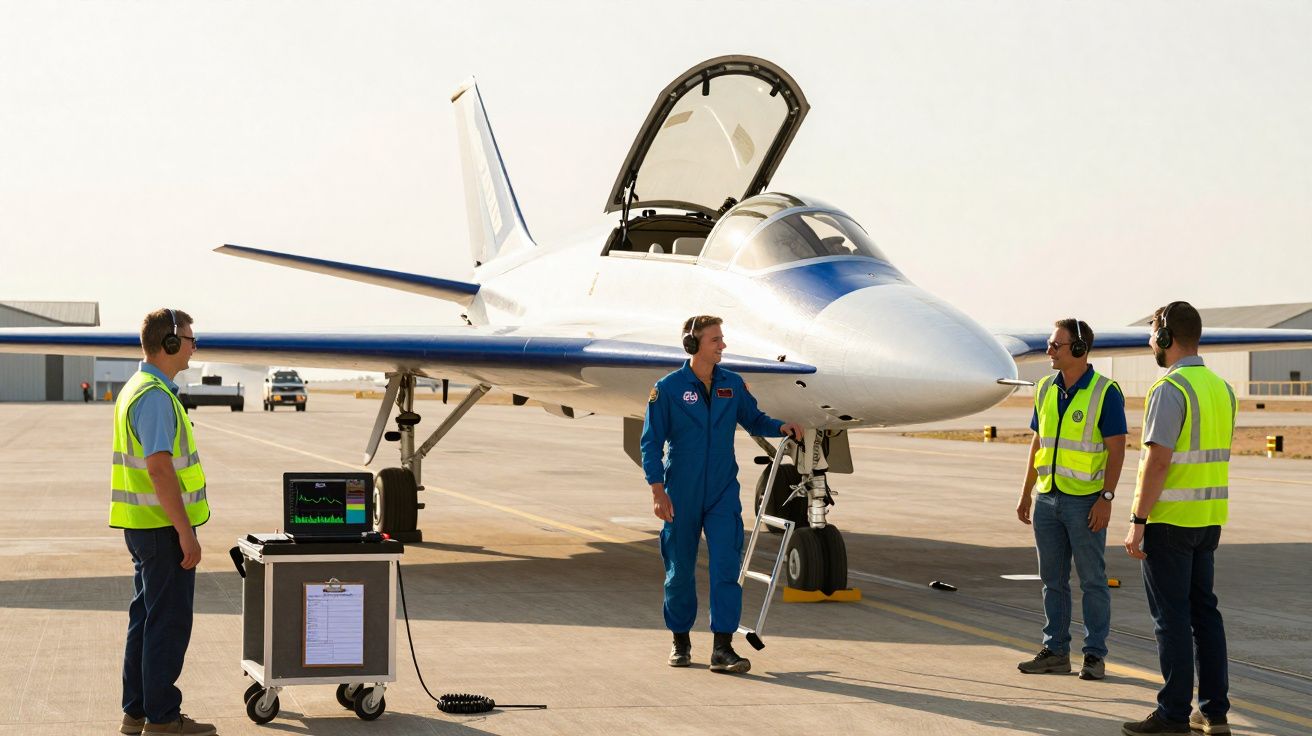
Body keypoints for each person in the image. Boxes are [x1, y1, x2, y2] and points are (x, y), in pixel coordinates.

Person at [641, 315, 803, 673]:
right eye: (715, 340)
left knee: (726, 568)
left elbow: (754, 419)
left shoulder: (732, 384)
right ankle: (680, 641)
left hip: (721, 492)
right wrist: (657, 491)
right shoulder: (666, 389)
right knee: (679, 570)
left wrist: (780, 427)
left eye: (721, 339)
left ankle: (722, 648)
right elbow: (651, 443)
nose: (723, 345)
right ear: (693, 344)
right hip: (680, 493)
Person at [1122, 302, 1234, 736]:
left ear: (1167, 339)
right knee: (1205, 613)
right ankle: (1213, 711)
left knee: (1170, 618)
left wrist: (1138, 519)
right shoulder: (1220, 388)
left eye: (1153, 334)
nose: (1150, 341)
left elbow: (1158, 461)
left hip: (1169, 521)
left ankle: (1172, 713)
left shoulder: (1170, 388)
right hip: (1208, 519)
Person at [112, 308, 216, 736]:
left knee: (146, 619)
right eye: (191, 339)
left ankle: (136, 712)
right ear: (170, 343)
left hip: (144, 527)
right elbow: (159, 469)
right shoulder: (154, 396)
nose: (194, 346)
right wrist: (186, 533)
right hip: (161, 529)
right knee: (167, 623)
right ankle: (162, 718)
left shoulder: (139, 388)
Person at [1015, 318, 1126, 681]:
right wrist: (1026, 492)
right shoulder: (1045, 388)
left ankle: (1094, 655)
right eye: (1049, 344)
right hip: (1047, 498)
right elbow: (1038, 442)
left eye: (1055, 346)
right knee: (1052, 580)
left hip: (1085, 501)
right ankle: (1056, 651)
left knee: (1093, 580)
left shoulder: (1106, 392)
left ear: (1079, 349)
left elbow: (1117, 448)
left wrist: (1106, 498)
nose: (1048, 351)